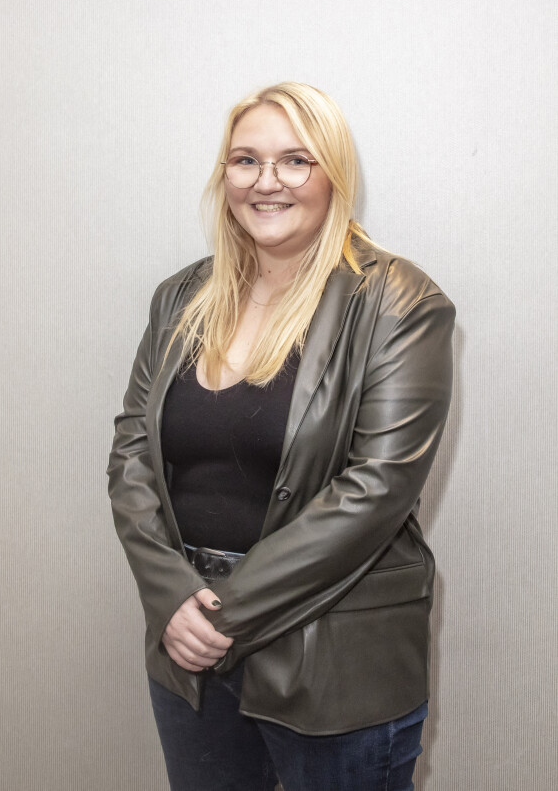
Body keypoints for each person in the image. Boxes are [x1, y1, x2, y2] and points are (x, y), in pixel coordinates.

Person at [107, 81, 455, 791]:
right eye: (246, 161)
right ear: (224, 175)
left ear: (334, 176)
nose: (267, 182)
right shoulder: (181, 296)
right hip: (190, 647)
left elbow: (376, 490)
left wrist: (215, 613)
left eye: (296, 161)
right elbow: (132, 454)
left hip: (335, 654)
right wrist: (173, 596)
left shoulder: (398, 301)